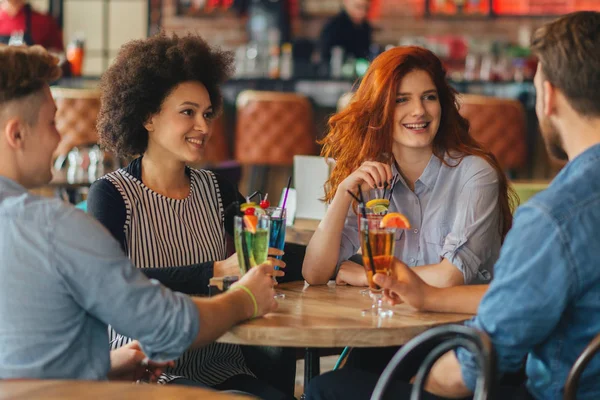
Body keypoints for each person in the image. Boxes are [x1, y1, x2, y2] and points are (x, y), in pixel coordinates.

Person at [306, 10, 600, 400]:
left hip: (538, 385)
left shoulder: (551, 218)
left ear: (547, 97)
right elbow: (509, 296)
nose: (419, 111)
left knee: (328, 389)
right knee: (360, 370)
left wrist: (415, 382)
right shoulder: (372, 179)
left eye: (429, 97)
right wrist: (344, 193)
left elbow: (472, 364)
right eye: (402, 100)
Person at [0, 44, 279, 383]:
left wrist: (106, 366)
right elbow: (166, 325)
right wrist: (245, 298)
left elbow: (27, 357)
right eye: (51, 123)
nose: (61, 138)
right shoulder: (55, 224)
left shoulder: (213, 187)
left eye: (207, 114)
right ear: (16, 134)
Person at [86, 33, 291, 399]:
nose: (204, 126)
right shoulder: (112, 195)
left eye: (207, 113)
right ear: (148, 115)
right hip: (148, 372)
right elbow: (113, 285)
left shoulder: (217, 189)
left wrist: (343, 256)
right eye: (188, 112)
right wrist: (217, 270)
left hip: (223, 365)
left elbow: (274, 255)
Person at [319, 0, 372, 67]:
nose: (362, 13)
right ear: (346, 2)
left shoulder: (365, 27)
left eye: (366, 9)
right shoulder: (333, 27)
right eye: (358, 7)